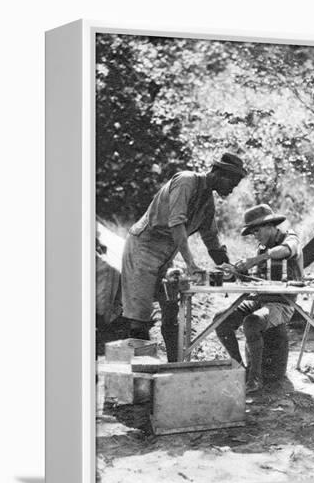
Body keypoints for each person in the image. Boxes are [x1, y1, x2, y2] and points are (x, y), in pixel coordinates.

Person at [121, 153, 246, 361]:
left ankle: (174, 367)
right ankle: (139, 377)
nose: (232, 188)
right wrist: (191, 264)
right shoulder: (186, 181)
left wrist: (226, 265)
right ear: (217, 173)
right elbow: (176, 224)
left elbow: (211, 238)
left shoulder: (207, 201)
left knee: (171, 312)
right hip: (144, 247)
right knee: (140, 316)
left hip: (167, 254)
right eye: (231, 182)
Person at [216, 204, 303, 393]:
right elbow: (256, 278)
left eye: (257, 231)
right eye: (253, 232)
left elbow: (284, 251)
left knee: (252, 323)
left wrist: (256, 259)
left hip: (282, 303)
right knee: (220, 320)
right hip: (259, 300)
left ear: (270, 226)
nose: (256, 236)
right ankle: (240, 369)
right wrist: (236, 271)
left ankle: (255, 379)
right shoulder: (262, 248)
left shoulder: (290, 238)